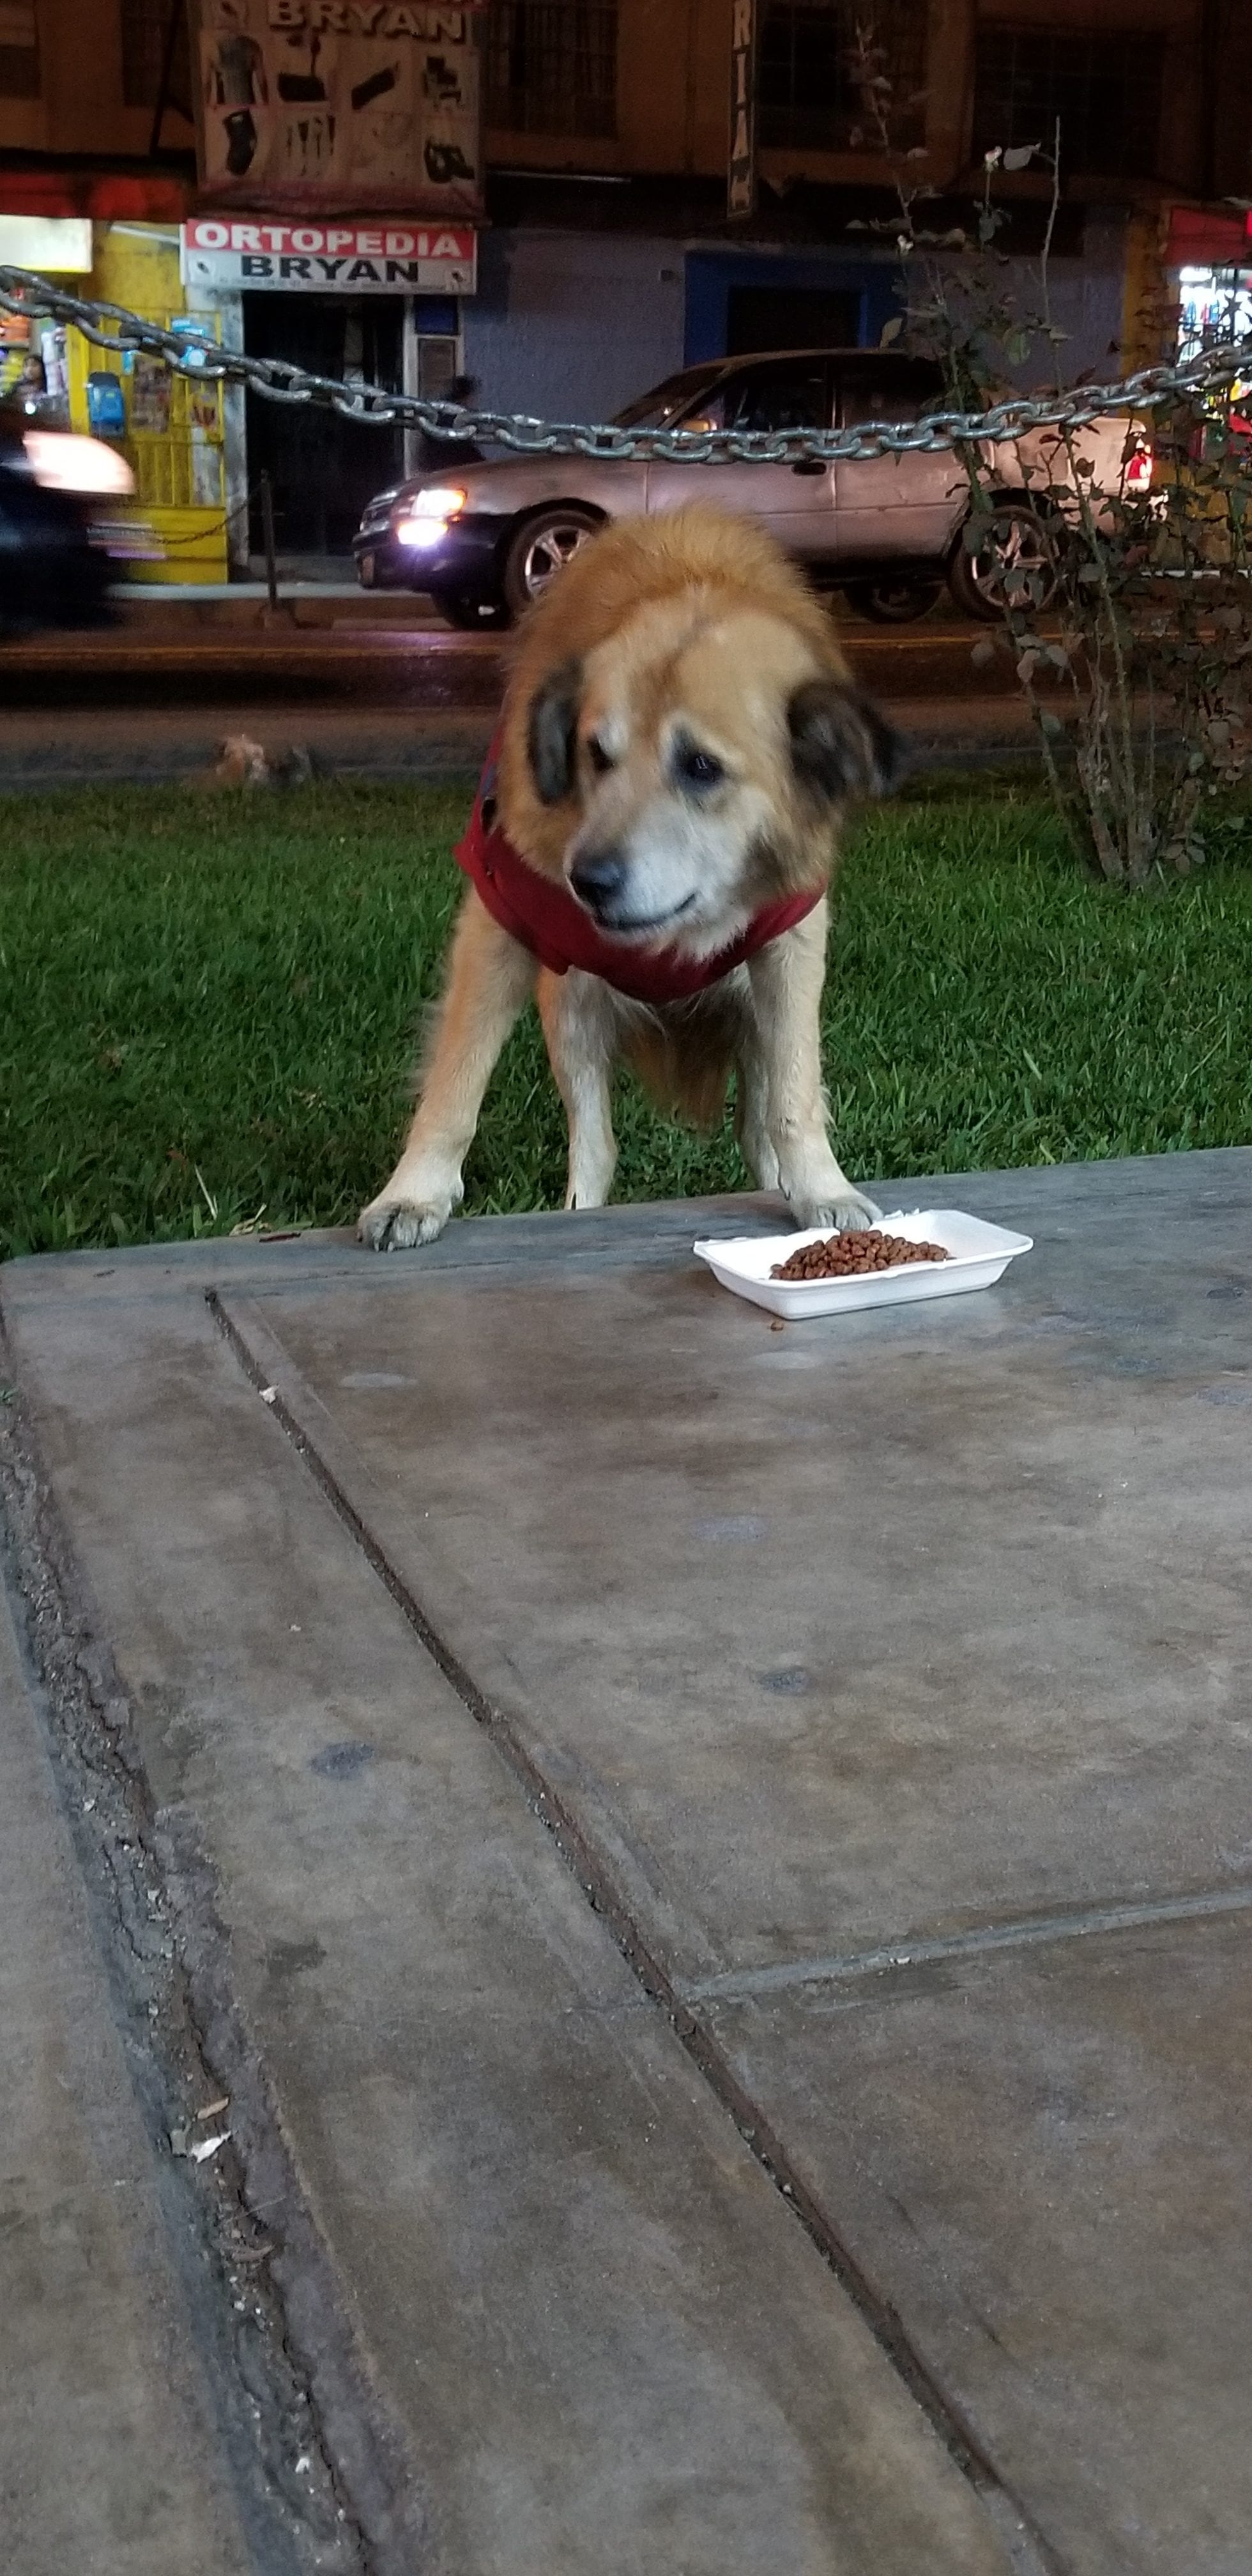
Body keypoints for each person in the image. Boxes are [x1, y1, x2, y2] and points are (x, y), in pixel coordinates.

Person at [414, 372, 483, 473]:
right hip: (450, 466)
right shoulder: (461, 420)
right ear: (468, 396)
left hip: (436, 465)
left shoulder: (440, 413)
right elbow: (461, 450)